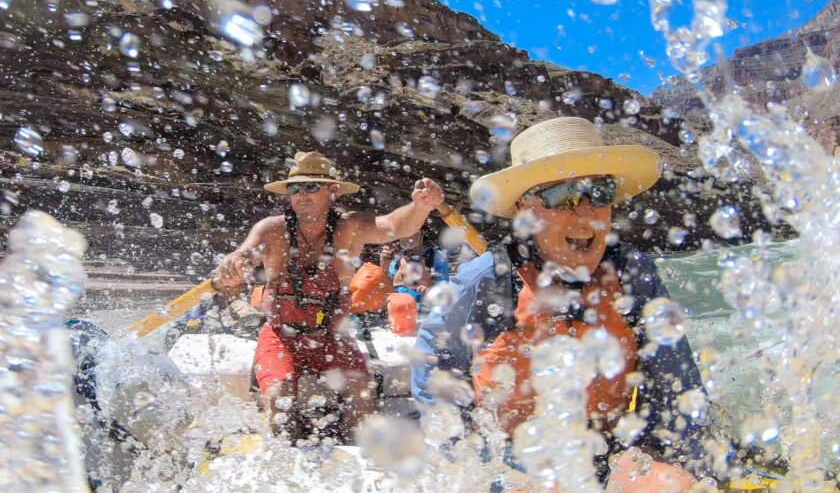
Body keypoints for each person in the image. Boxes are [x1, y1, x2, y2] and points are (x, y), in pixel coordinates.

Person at [411, 117, 709, 491]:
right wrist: (466, 460)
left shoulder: (635, 274)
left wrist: (661, 455)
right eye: (562, 196)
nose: (586, 215)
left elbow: (676, 383)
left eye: (600, 194)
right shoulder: (488, 278)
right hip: (513, 464)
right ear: (526, 211)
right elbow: (432, 360)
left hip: (612, 454)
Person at [216, 151, 443, 438]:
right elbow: (245, 253)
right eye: (294, 188)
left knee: (361, 394)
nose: (301, 194)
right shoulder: (271, 229)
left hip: (333, 337)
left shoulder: (351, 228)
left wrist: (420, 206)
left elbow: (394, 225)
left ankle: (359, 462)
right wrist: (234, 265)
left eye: (311, 187)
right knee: (278, 394)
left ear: (331, 190)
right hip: (280, 336)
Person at [379, 227, 450, 302]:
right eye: (401, 233)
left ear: (420, 233)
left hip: (427, 307)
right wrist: (385, 266)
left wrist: (429, 290)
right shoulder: (398, 259)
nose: (405, 237)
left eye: (409, 232)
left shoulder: (436, 256)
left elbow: (443, 286)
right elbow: (391, 285)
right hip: (404, 307)